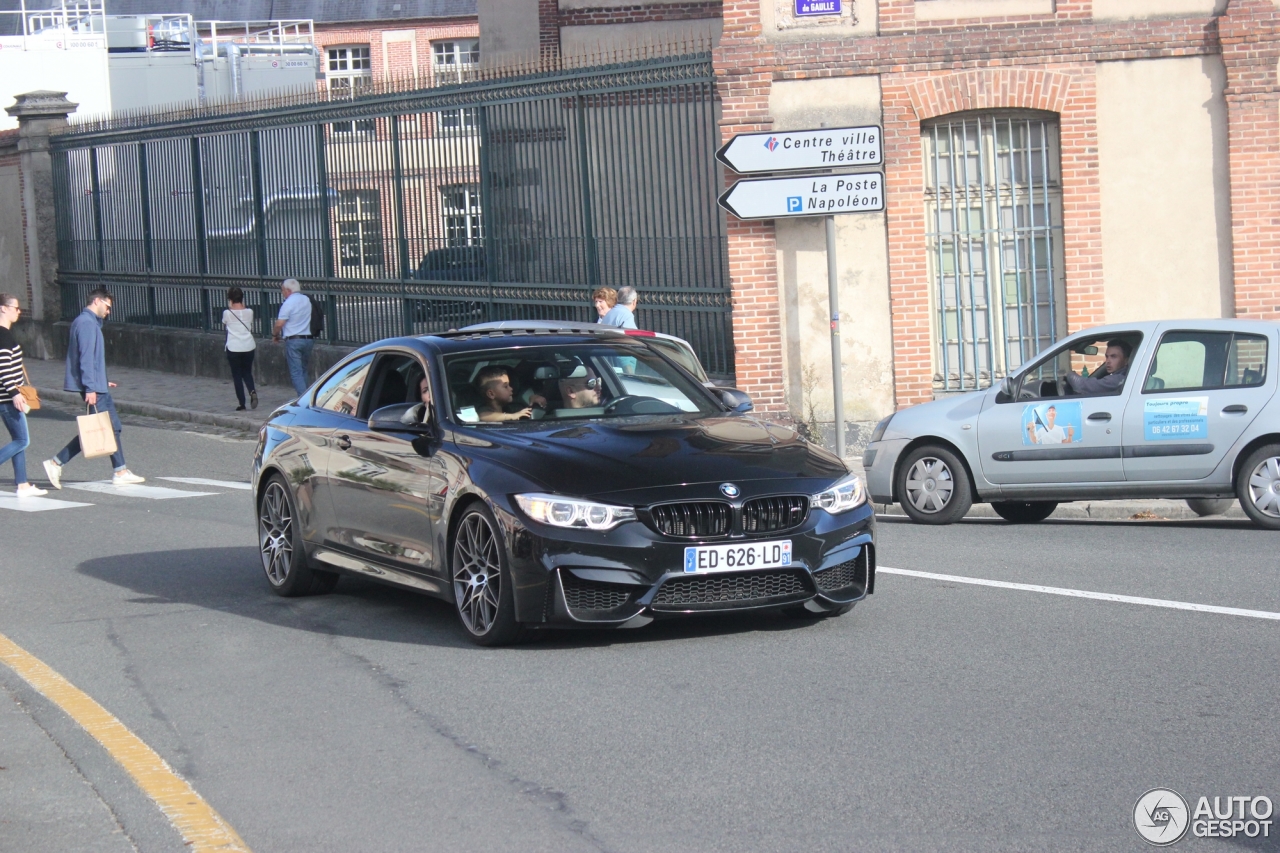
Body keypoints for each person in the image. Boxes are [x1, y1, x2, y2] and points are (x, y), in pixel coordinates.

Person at [43, 288, 145, 489]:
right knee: (101, 429)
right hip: (93, 388)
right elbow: (86, 358)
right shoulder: (87, 324)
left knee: (108, 428)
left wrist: (101, 380)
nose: (108, 311)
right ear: (97, 301)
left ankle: (120, 470)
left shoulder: (86, 322)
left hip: (97, 385)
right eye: (107, 306)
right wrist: (91, 386)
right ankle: (57, 462)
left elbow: (90, 360)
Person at [0, 294, 47, 496]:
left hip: (9, 396)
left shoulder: (5, 333)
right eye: (15, 308)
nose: (18, 312)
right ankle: (23, 484)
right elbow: (2, 367)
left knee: (18, 439)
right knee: (22, 440)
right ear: (3, 308)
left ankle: (22, 484)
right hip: (8, 397)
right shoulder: (2, 335)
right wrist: (14, 393)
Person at [272, 278, 313, 396]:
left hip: (294, 339)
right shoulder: (306, 299)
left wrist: (275, 334)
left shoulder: (288, 303)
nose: (282, 293)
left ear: (288, 291)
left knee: (296, 372)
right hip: (308, 338)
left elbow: (280, 323)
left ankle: (303, 398)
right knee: (304, 370)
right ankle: (307, 395)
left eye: (283, 290)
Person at [223, 287, 258, 411]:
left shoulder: (227, 313)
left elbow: (225, 324)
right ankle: (252, 390)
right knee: (247, 372)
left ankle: (241, 403)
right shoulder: (250, 312)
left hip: (234, 347)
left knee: (237, 375)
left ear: (230, 299)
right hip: (248, 346)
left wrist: (230, 306)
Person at [1066, 339, 1131, 395]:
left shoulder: (1117, 379)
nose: (1108, 361)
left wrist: (1067, 373)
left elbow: (1082, 385)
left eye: (1113, 356)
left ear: (1126, 361)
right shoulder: (1125, 376)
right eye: (1107, 356)